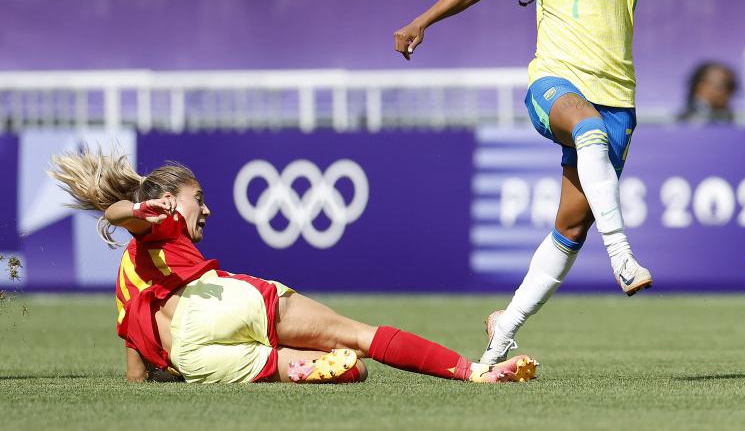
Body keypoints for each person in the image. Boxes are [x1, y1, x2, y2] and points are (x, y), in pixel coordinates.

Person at [393, 0, 704, 364]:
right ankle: (622, 256)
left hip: (616, 99)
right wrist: (420, 22)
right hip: (553, 85)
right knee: (588, 129)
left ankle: (502, 331)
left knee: (570, 228)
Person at [48, 150, 538, 384]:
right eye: (200, 199)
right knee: (360, 337)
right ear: (171, 198)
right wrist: (140, 211)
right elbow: (118, 214)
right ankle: (474, 372)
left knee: (340, 372)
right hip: (215, 304)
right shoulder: (162, 220)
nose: (207, 209)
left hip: (194, 360)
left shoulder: (127, 279)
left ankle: (309, 371)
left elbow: (136, 369)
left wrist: (158, 377)